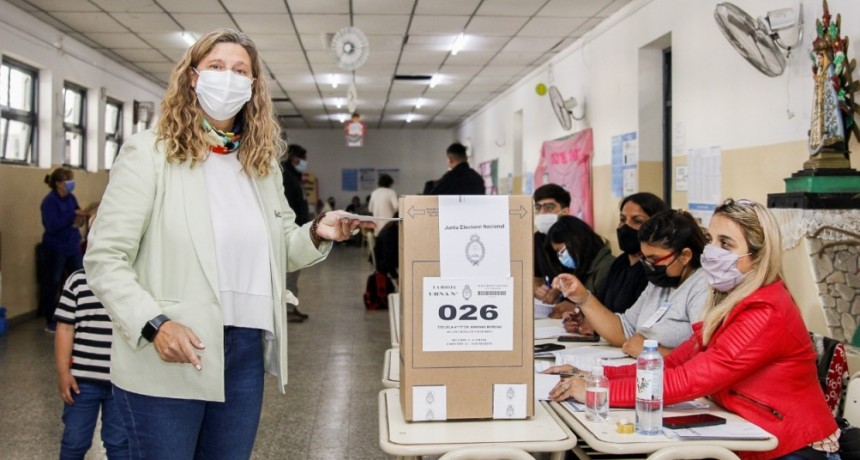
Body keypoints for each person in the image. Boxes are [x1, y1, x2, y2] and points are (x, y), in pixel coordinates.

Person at [83, 29, 369, 459]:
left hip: (244, 349)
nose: (228, 78)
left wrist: (317, 232)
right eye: (216, 67)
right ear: (193, 77)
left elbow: (279, 248)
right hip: (174, 347)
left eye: (240, 71)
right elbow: (105, 258)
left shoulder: (260, 165)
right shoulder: (149, 154)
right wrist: (154, 324)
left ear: (253, 87)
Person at [545, 199, 841, 460]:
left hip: (788, 446)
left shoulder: (766, 310)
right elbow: (676, 361)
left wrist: (601, 392)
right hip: (746, 433)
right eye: (712, 240)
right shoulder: (731, 298)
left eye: (726, 244)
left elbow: (692, 379)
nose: (712, 251)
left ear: (758, 256)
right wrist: (596, 377)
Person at [555, 209, 708, 356]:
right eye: (645, 258)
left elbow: (705, 358)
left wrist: (652, 353)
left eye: (654, 259)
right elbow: (624, 330)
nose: (648, 265)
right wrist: (582, 297)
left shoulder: (702, 285)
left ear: (685, 256)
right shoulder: (660, 282)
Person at [54, 268, 129, 460]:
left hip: (122, 382)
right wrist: (63, 373)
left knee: (120, 443)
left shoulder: (132, 280)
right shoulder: (78, 280)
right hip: (81, 382)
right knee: (75, 441)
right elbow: (65, 328)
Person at [598, 192, 669, 314]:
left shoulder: (654, 270)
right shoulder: (620, 262)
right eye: (622, 219)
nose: (625, 227)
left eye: (637, 221)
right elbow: (601, 304)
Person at [40, 167, 88, 333]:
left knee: (80, 280)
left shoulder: (70, 197)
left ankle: (80, 316)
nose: (70, 184)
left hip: (72, 246)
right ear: (59, 184)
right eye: (67, 181)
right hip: (55, 247)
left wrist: (79, 219)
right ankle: (51, 320)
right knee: (53, 282)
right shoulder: (49, 202)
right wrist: (71, 216)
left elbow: (76, 215)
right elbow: (51, 225)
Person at [543, 216, 614, 319]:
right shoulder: (582, 268)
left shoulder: (607, 267)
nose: (561, 257)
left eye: (562, 251)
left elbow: (609, 313)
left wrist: (576, 309)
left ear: (578, 239)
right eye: (557, 253)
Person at [280, 143, 311, 323]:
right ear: (294, 157)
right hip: (291, 231)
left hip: (298, 230)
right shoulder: (286, 176)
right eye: (303, 159)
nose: (305, 162)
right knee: (290, 273)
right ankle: (288, 309)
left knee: (294, 273)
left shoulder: (294, 175)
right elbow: (289, 206)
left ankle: (292, 306)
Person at [532, 184, 570, 305]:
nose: (542, 213)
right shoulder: (537, 239)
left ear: (565, 212)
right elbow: (537, 279)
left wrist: (559, 290)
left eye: (549, 207)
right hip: (553, 308)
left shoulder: (577, 237)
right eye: (538, 207)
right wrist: (537, 289)